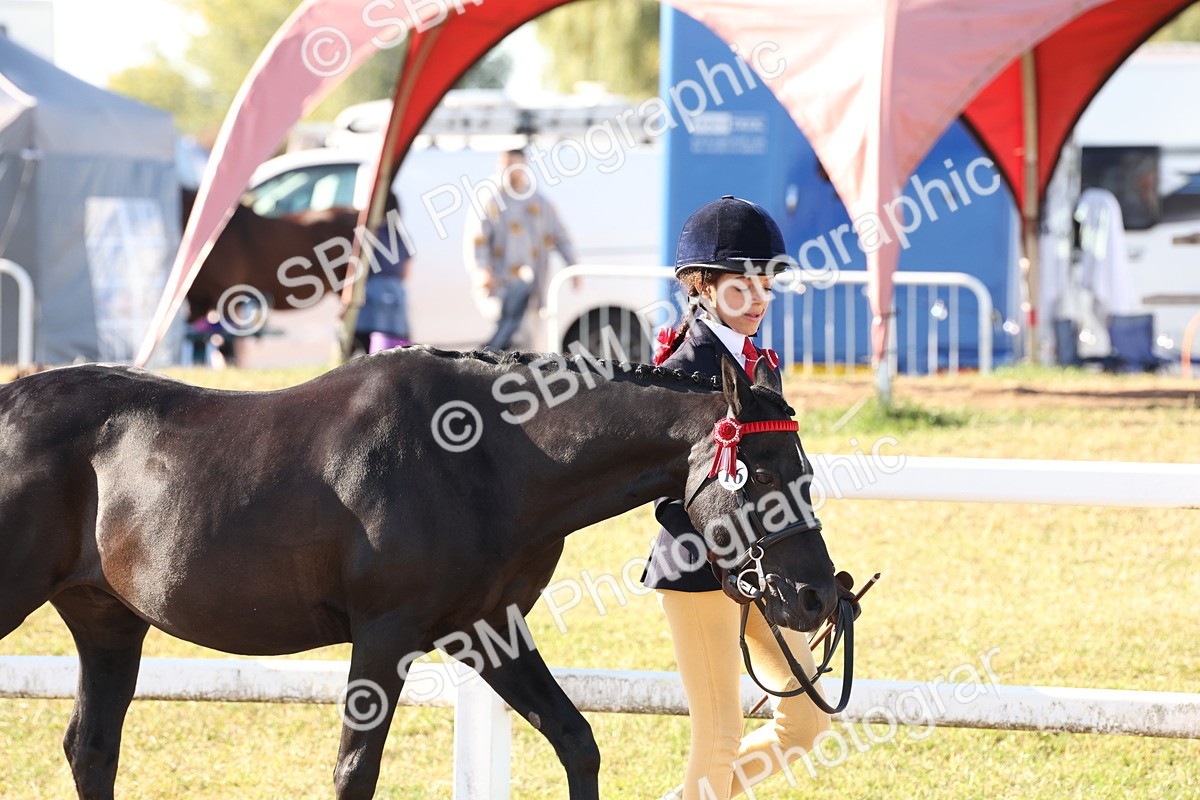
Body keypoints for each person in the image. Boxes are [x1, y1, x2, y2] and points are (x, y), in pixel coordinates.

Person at [642, 196, 830, 800]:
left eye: (765, 286)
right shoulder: (686, 365)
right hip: (699, 567)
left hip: (763, 565)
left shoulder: (758, 362)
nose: (759, 299)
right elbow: (667, 481)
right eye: (743, 286)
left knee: (807, 722)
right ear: (703, 285)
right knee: (720, 734)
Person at [464, 149, 577, 350]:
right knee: (504, 336)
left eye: (512, 165)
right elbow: (477, 238)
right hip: (501, 284)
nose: (508, 170)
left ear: (524, 166)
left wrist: (573, 266)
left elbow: (560, 235)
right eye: (504, 165)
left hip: (532, 285)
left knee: (525, 341)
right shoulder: (489, 199)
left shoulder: (539, 202)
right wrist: (481, 270)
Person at [355, 190, 412, 354]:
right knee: (394, 351)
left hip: (369, 298)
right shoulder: (399, 236)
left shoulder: (367, 234)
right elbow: (406, 272)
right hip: (396, 299)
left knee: (367, 350)